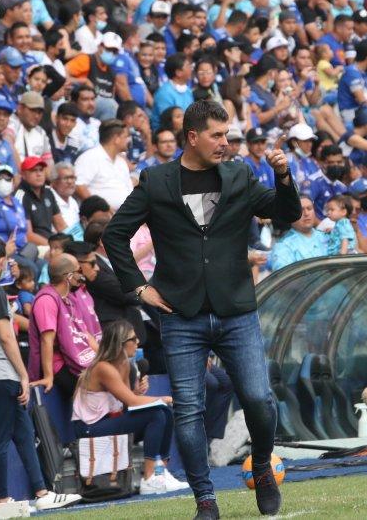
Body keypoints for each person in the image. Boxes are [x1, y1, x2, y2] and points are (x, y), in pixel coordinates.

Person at [103, 100, 299, 519]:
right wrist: (139, 288)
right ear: (193, 137)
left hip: (236, 310)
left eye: (226, 135)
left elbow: (286, 213)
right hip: (181, 315)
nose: (225, 143)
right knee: (189, 410)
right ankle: (205, 499)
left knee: (259, 398)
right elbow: (115, 234)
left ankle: (261, 466)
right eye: (217, 135)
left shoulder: (239, 175)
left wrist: (283, 177)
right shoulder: (156, 181)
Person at [0, 230, 80, 510]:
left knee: (25, 434)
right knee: (0, 438)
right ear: (1, 260)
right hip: (0, 371)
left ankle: (42, 492)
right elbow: (6, 337)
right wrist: (24, 375)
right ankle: (1, 499)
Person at [71, 319, 188, 494]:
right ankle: (149, 478)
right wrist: (166, 398)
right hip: (89, 428)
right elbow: (132, 402)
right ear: (120, 344)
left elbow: (127, 403)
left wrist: (137, 393)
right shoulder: (103, 368)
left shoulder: (124, 364)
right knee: (156, 414)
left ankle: (161, 473)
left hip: (109, 421)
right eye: (133, 339)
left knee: (165, 413)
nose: (138, 342)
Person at [29, 253, 101, 398]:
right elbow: (47, 340)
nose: (81, 275)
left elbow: (84, 334)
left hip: (78, 359)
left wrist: (104, 357)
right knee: (99, 389)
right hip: (59, 364)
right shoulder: (46, 300)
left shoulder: (69, 298)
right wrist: (48, 376)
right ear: (69, 276)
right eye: (78, 271)